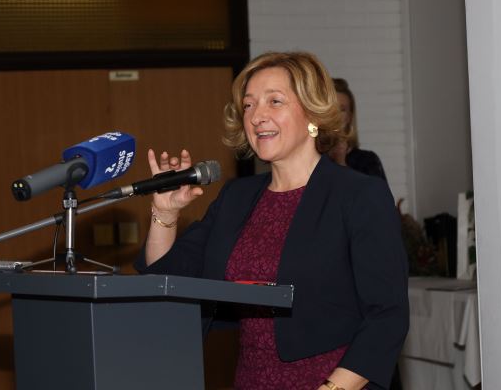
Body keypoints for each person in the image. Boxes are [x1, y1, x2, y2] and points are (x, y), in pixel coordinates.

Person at [135, 52, 409, 390]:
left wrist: (331, 388)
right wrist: (165, 213)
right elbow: (167, 280)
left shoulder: (358, 194)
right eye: (248, 105)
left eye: (274, 101)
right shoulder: (236, 197)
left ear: (312, 113)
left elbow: (387, 315)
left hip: (332, 383)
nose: (257, 116)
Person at [329, 78, 387, 182]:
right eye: (331, 109)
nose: (336, 115)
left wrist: (341, 163)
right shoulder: (309, 160)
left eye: (342, 109)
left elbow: (374, 193)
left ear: (349, 117)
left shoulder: (367, 161)